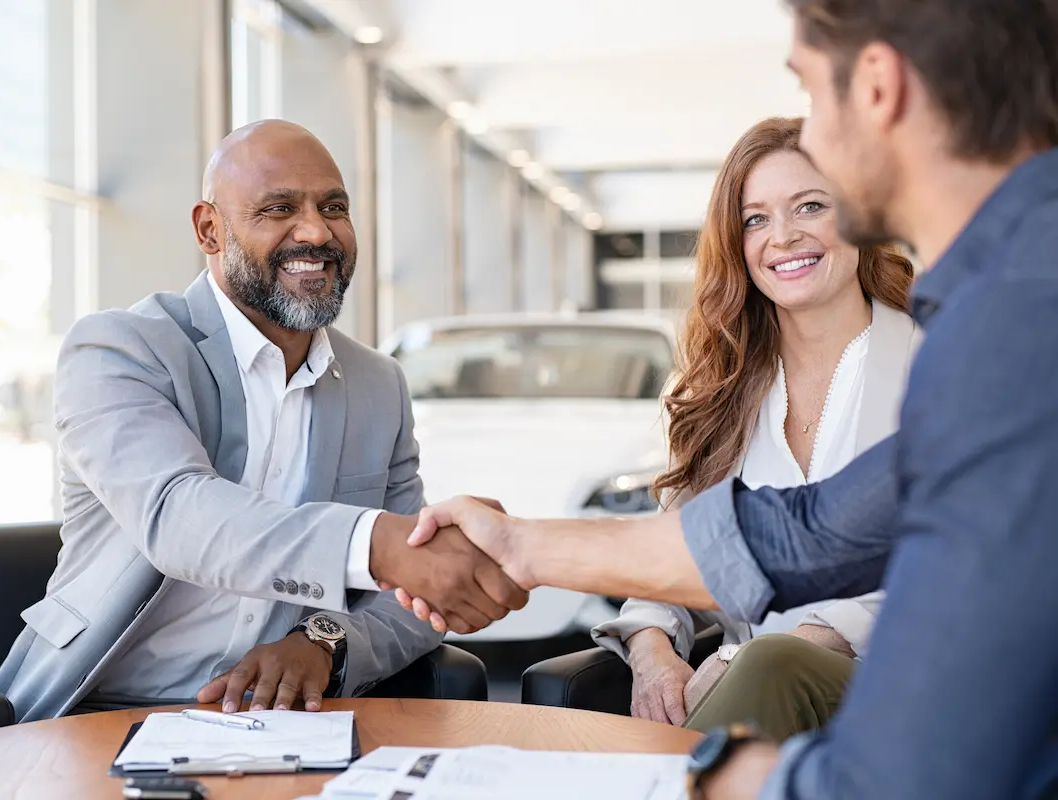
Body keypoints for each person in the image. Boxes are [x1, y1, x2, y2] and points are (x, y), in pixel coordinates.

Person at [395, 0, 1058, 796]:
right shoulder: (996, 304)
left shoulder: (1012, 323)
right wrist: (523, 546)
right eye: (758, 218)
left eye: (810, 93)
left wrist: (711, 772)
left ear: (877, 87)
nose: (813, 139)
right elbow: (810, 536)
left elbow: (910, 764)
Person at [0, 120, 526, 722]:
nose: (317, 232)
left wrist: (321, 642)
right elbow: (179, 515)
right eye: (278, 209)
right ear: (210, 230)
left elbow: (408, 593)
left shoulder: (378, 384)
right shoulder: (120, 350)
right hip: (96, 705)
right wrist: (375, 545)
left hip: (281, 718)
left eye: (334, 207)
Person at [590, 116, 919, 740]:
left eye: (811, 206)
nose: (784, 237)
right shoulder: (721, 387)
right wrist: (653, 650)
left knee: (773, 662)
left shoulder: (933, 364)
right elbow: (676, 547)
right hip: (743, 704)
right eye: (756, 219)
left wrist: (742, 657)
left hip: (899, 687)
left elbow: (939, 566)